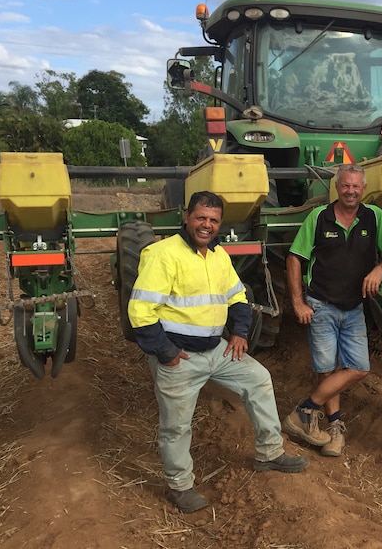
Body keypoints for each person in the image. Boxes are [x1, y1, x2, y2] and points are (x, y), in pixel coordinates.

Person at [129, 191, 308, 514]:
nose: (206, 225)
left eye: (213, 220)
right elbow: (140, 312)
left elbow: (238, 298)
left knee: (258, 379)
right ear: (187, 217)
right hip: (179, 356)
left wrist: (239, 333)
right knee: (176, 426)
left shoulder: (218, 256)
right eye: (200, 217)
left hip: (216, 349)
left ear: (220, 224)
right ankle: (179, 485)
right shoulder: (163, 254)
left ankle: (269, 453)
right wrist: (166, 352)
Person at [284, 163, 382, 457]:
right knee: (327, 370)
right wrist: (298, 303)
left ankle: (304, 411)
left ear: (364, 189)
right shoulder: (319, 217)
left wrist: (379, 269)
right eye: (345, 185)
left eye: (356, 186)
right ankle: (334, 429)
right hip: (321, 304)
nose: (350, 191)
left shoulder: (374, 217)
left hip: (353, 307)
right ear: (337, 188)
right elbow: (294, 258)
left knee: (359, 368)